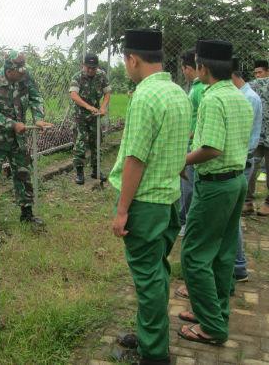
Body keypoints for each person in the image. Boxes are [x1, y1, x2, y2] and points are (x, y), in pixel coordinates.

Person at [110, 29, 191, 365]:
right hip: (170, 199)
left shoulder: (144, 97)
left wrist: (122, 210)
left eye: (125, 61)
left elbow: (136, 158)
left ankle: (154, 354)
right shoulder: (178, 93)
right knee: (156, 272)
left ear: (133, 59)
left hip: (147, 203)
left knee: (149, 279)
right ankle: (148, 335)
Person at [178, 40, 252, 346]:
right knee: (222, 254)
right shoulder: (239, 97)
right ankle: (213, 312)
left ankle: (212, 327)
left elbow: (211, 148)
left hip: (216, 186)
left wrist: (179, 160)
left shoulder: (211, 99)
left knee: (194, 254)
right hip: (237, 182)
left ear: (203, 68)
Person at [0, 50, 52, 226]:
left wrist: (39, 118)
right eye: (19, 71)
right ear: (9, 70)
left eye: (23, 70)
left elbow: (36, 98)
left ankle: (27, 214)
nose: (23, 74)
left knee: (23, 173)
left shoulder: (25, 77)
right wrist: (12, 124)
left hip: (18, 138)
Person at [231, 63, 261, 283]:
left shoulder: (246, 98)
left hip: (241, 162)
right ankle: (238, 266)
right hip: (241, 160)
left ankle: (239, 266)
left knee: (230, 217)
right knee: (230, 217)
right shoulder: (244, 95)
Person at [69, 52, 111, 185]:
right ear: (83, 66)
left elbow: (107, 92)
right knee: (80, 143)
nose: (91, 70)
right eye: (88, 68)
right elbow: (74, 96)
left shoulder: (101, 75)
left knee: (96, 142)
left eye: (93, 68)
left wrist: (103, 107)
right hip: (80, 116)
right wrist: (88, 107)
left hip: (95, 115)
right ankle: (80, 172)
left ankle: (96, 170)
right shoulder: (77, 77)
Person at [178, 49, 206, 237]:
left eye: (184, 70)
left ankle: (188, 222)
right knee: (185, 186)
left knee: (188, 188)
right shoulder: (196, 87)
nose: (184, 74)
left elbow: (204, 120)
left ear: (188, 68)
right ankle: (184, 219)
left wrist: (189, 135)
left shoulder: (199, 90)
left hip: (193, 146)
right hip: (190, 144)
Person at [248, 59, 269, 216]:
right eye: (255, 73)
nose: (257, 76)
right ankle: (247, 201)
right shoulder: (253, 86)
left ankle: (267, 203)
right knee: (252, 166)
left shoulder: (256, 85)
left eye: (260, 72)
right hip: (257, 135)